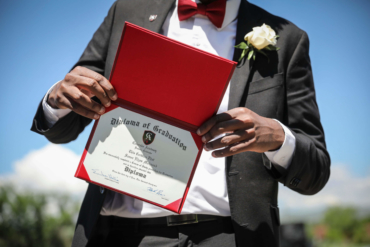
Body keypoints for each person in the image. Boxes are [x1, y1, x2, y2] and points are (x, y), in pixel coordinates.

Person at [30, 0, 330, 246]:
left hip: (228, 236)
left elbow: (316, 170)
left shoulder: (289, 39)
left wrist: (279, 138)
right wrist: (57, 99)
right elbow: (68, 122)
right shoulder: (126, 11)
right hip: (117, 234)